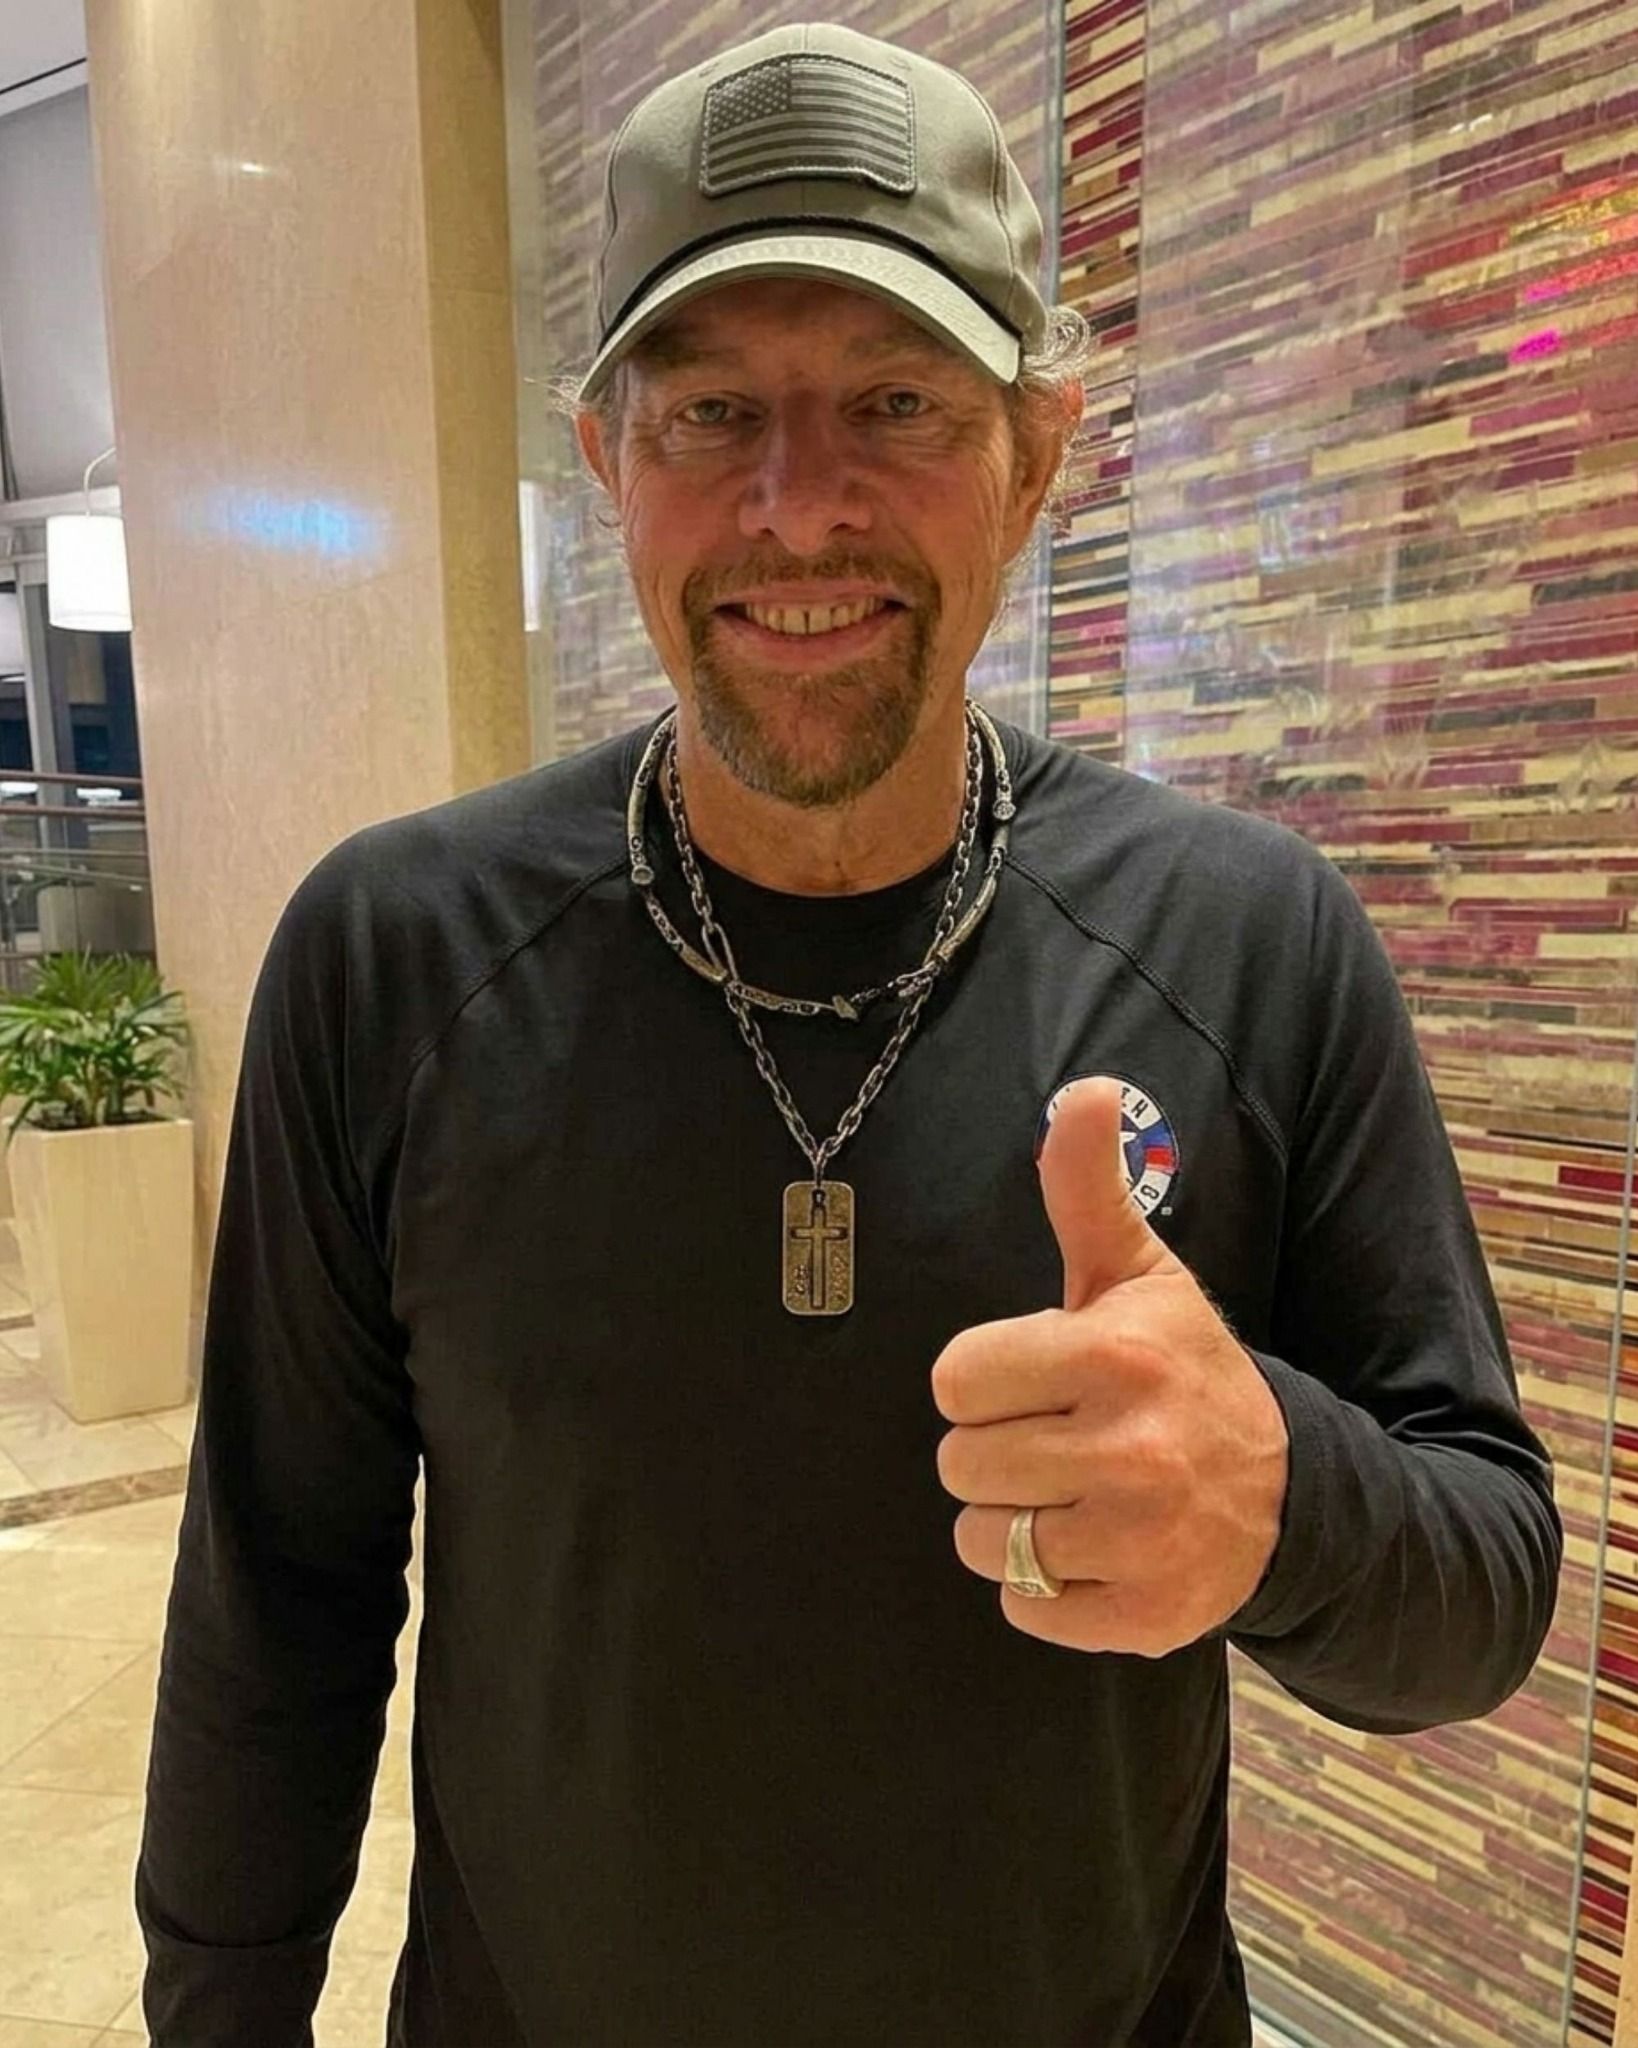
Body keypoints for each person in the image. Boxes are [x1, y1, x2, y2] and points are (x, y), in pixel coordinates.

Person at [134, 21, 1562, 2048]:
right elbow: (276, 1593)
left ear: (1035, 453)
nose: (798, 511)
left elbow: (1483, 1588)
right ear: (607, 458)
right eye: (713, 411)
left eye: (896, 401)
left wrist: (1282, 1496)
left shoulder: (1249, 941)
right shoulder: (393, 956)